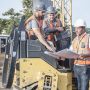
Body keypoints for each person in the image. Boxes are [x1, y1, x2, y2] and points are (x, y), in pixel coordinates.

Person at [70, 19, 90, 90]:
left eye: (78, 28)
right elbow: (70, 52)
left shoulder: (88, 38)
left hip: (85, 67)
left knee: (84, 88)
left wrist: (84, 54)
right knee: (78, 87)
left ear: (83, 28)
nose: (76, 30)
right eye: (75, 28)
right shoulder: (75, 40)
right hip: (76, 67)